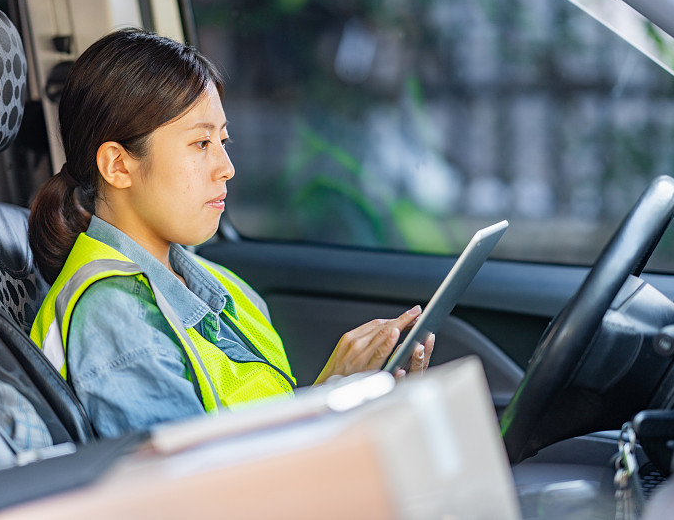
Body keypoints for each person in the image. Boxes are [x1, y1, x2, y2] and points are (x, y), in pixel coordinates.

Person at [28, 28, 434, 438]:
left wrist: (340, 392)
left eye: (223, 139)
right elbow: (190, 493)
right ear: (118, 165)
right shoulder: (113, 316)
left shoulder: (223, 287)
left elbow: (248, 442)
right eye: (201, 144)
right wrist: (329, 402)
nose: (227, 167)